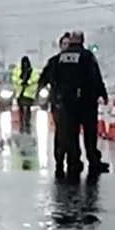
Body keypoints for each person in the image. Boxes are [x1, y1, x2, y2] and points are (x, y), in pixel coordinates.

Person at [48, 30, 109, 178]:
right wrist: (102, 93)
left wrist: (53, 96)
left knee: (71, 133)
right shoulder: (87, 57)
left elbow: (48, 77)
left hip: (66, 103)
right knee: (89, 133)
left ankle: (74, 161)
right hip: (86, 102)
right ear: (82, 41)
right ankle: (93, 161)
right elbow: (94, 77)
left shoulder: (58, 59)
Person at [38, 32, 72, 177]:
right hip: (58, 102)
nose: (66, 47)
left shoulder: (77, 62)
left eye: (69, 44)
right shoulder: (54, 62)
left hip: (74, 104)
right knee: (60, 132)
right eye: (64, 44)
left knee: (72, 133)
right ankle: (59, 160)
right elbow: (43, 79)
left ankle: (72, 161)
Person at [12, 56, 40, 134]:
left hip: (28, 94)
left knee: (27, 111)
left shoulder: (32, 71)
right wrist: (21, 82)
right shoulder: (17, 70)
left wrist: (28, 82)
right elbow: (14, 78)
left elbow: (36, 78)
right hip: (20, 93)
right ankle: (22, 125)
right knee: (21, 111)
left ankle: (27, 125)